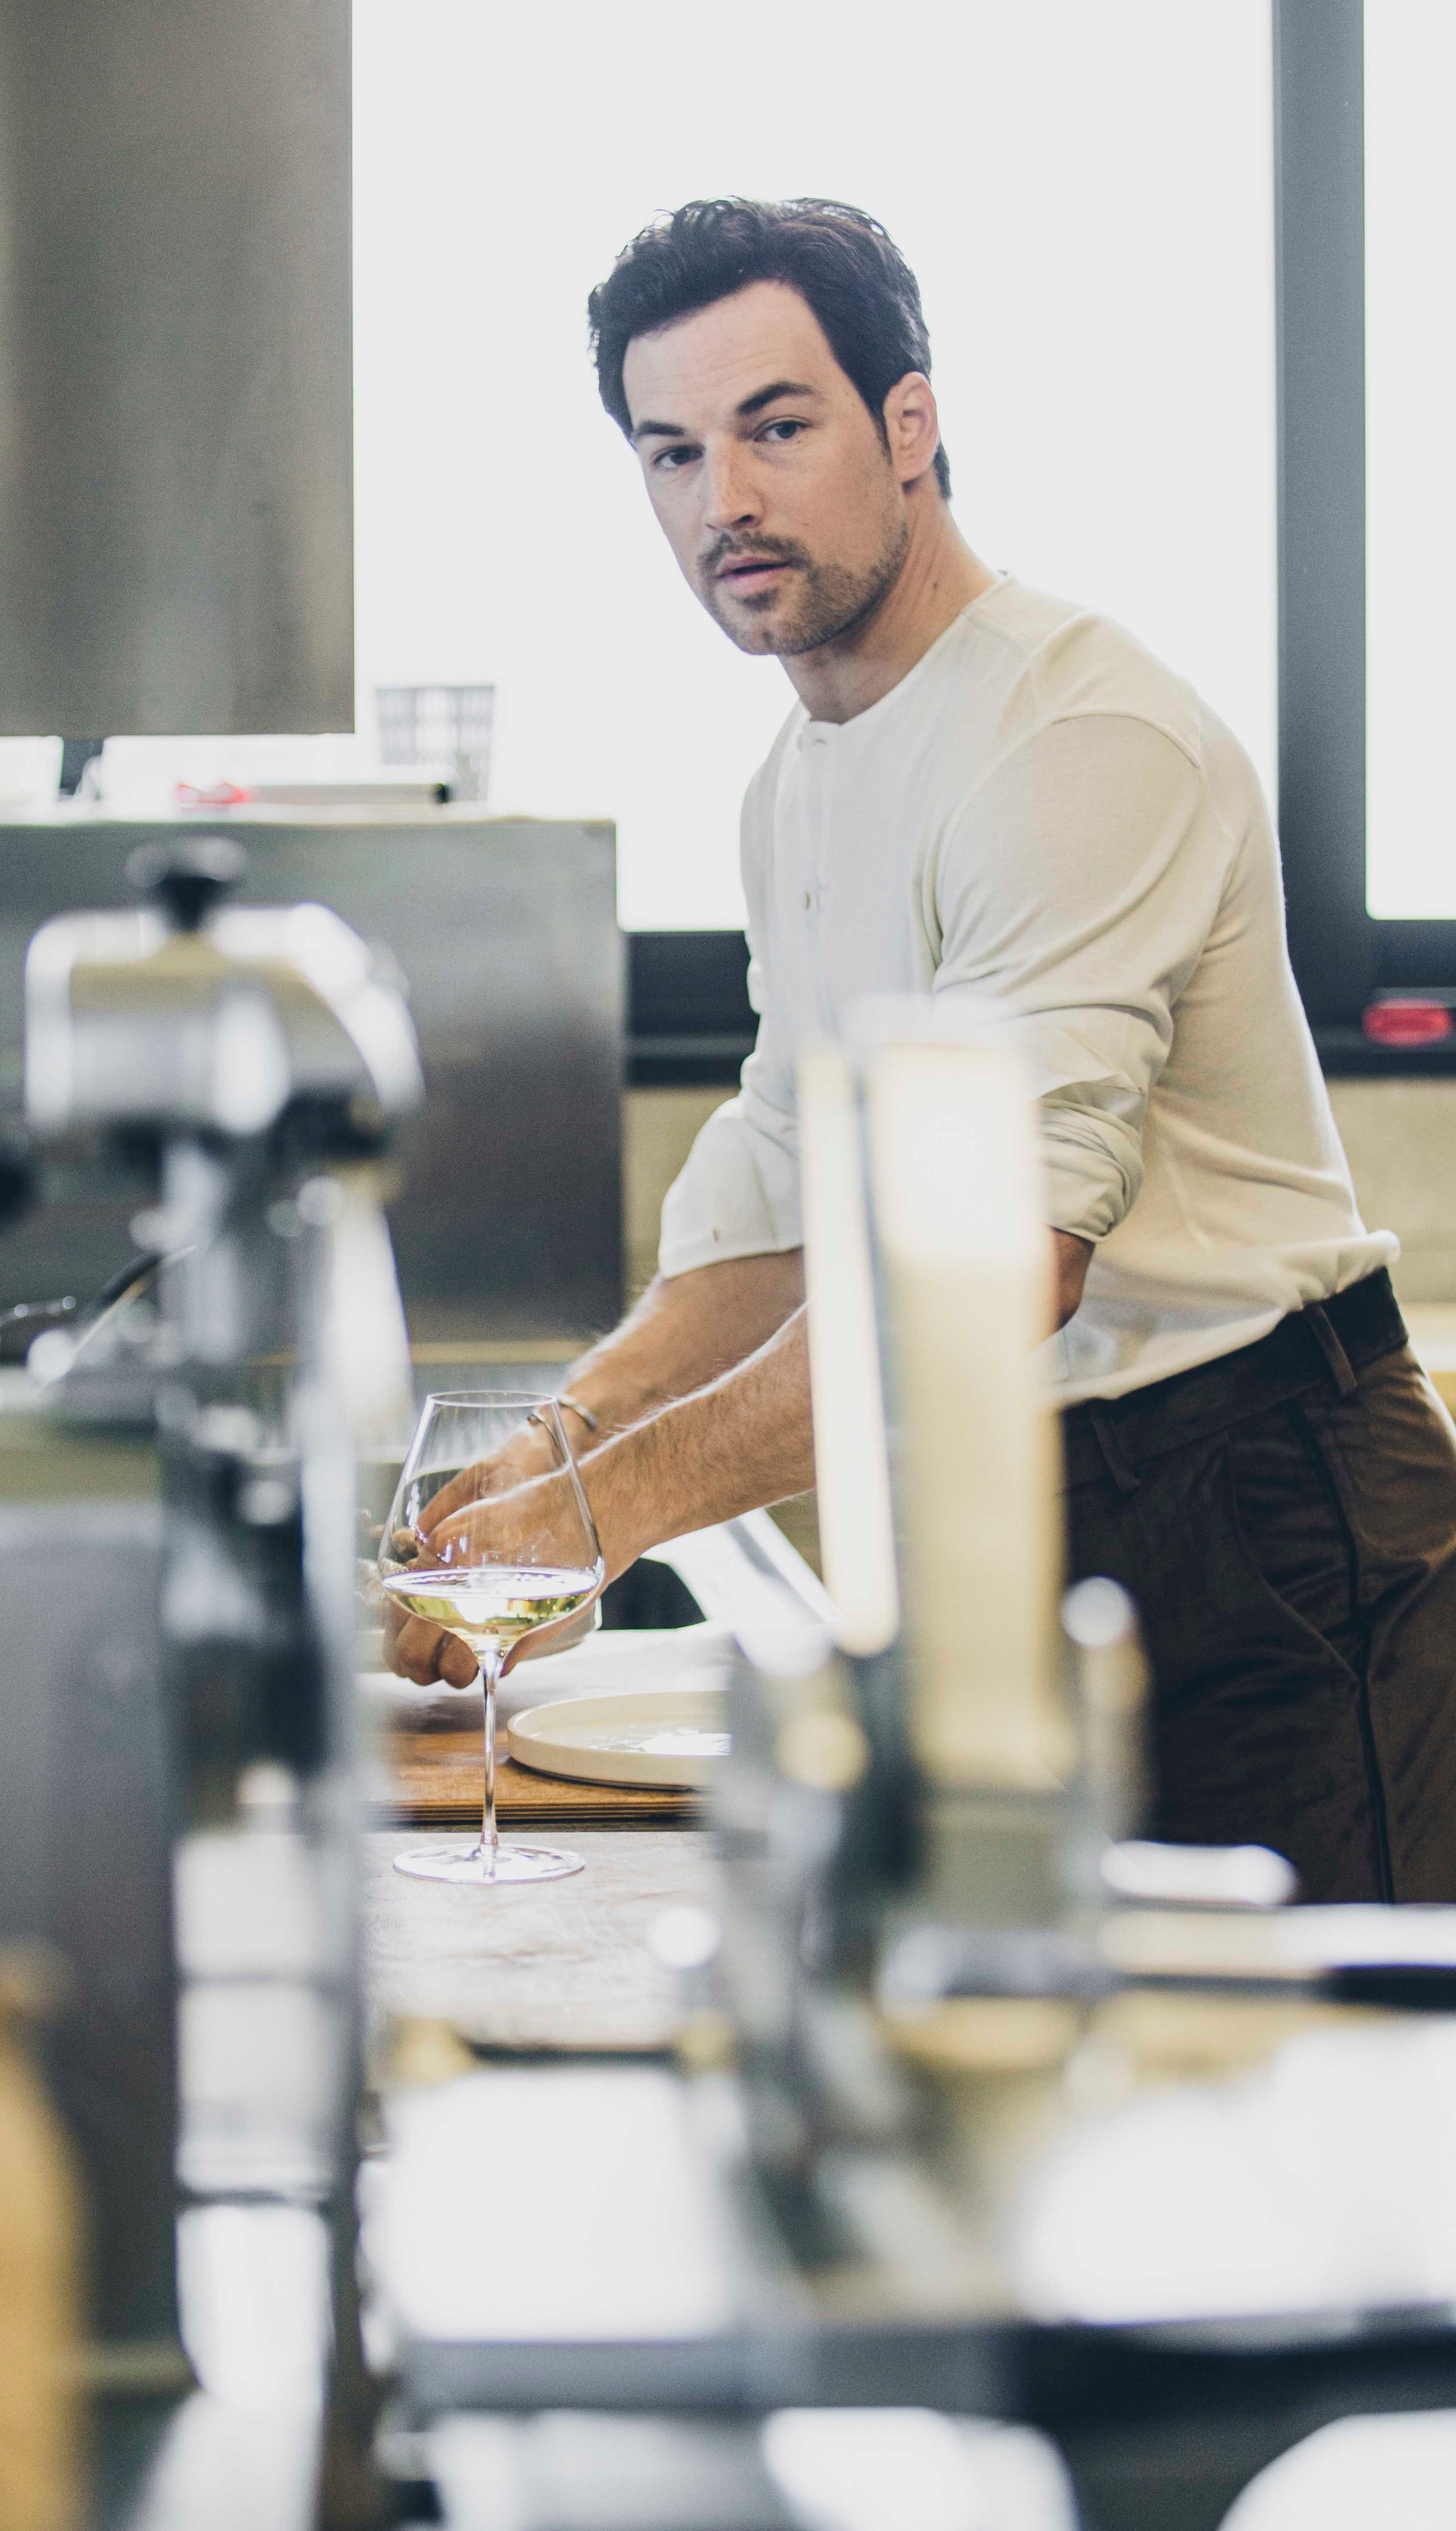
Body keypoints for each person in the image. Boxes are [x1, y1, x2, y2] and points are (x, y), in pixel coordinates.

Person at [387, 196, 1456, 1904]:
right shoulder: (796, 778)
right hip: (1028, 1512)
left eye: (774, 428)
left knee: (1335, 2100)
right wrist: (554, 1448)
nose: (720, 502)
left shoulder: (1073, 737)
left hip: (1263, 1516)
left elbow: (977, 1276)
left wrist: (602, 1519)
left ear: (908, 425)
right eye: (668, 453)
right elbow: (786, 1207)